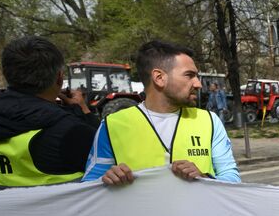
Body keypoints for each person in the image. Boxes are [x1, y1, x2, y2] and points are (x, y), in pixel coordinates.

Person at [82, 39, 240, 186]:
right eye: (189, 75)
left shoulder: (209, 121)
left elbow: (232, 178)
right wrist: (106, 180)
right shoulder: (113, 125)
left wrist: (205, 178)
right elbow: (88, 187)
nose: (198, 84)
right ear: (159, 78)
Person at [0, 35, 99, 189]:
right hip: (56, 212)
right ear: (59, 78)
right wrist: (84, 111)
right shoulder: (70, 132)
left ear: (6, 74)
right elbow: (106, 154)